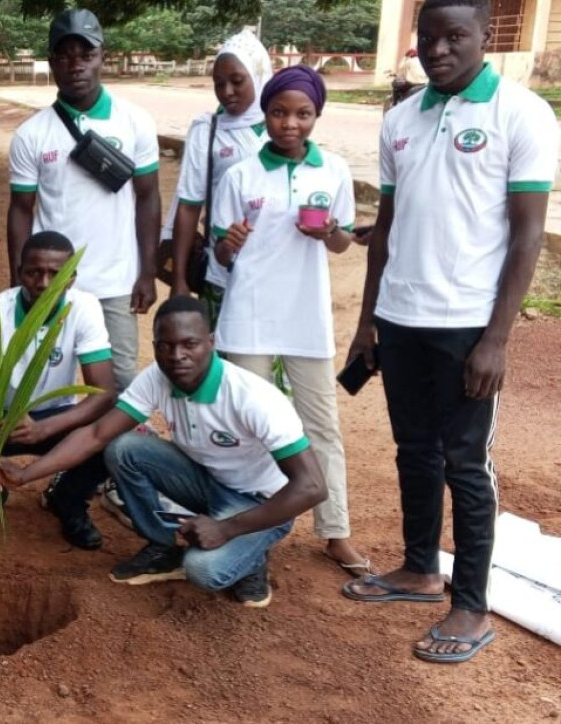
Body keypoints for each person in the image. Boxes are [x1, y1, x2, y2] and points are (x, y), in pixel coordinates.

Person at [343, 0, 558, 663]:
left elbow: (527, 237)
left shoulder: (521, 114)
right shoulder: (401, 119)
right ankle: (418, 569)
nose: (437, 50)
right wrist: (366, 325)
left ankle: (469, 605)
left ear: (484, 36)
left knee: (467, 463)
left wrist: (496, 339)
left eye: (454, 36)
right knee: (414, 450)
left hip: (467, 325)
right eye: (427, 37)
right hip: (401, 319)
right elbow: (385, 230)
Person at [0, 298, 328, 608]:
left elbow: (312, 486)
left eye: (190, 344)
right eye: (166, 346)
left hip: (260, 501)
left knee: (205, 571)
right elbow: (97, 433)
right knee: (123, 447)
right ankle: (163, 547)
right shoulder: (157, 378)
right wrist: (27, 474)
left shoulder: (252, 397)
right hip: (206, 481)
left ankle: (252, 557)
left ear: (210, 342)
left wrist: (226, 529)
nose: (177, 355)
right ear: (155, 346)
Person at [210, 65, 370, 577]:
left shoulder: (334, 171)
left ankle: (335, 530)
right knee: (249, 426)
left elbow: (345, 241)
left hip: (307, 317)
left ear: (316, 115)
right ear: (266, 113)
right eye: (279, 112)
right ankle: (247, 523)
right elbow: (221, 252)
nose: (290, 124)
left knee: (321, 424)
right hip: (249, 314)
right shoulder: (240, 175)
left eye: (302, 114)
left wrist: (330, 237)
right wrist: (227, 245)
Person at [0, 231, 118, 549]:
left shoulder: (84, 308)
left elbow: (104, 393)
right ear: (19, 273)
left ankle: (68, 501)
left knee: (113, 436)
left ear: (71, 278)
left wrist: (43, 428)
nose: (44, 282)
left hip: (56, 418)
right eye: (34, 272)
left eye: (55, 274)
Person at [7, 7, 161, 393]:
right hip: (50, 283)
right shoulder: (31, 134)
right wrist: (17, 278)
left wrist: (146, 270)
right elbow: (21, 210)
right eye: (64, 55)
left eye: (86, 54)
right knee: (42, 381)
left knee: (120, 383)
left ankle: (113, 455)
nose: (76, 65)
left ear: (102, 57)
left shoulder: (135, 121)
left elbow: (148, 198)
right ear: (51, 62)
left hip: (115, 280)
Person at [164, 28, 272, 328]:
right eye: (218, 83)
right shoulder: (207, 130)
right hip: (221, 271)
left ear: (259, 76)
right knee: (219, 362)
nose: (226, 92)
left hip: (275, 271)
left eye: (237, 81)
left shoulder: (281, 128)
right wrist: (180, 279)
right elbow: (188, 206)